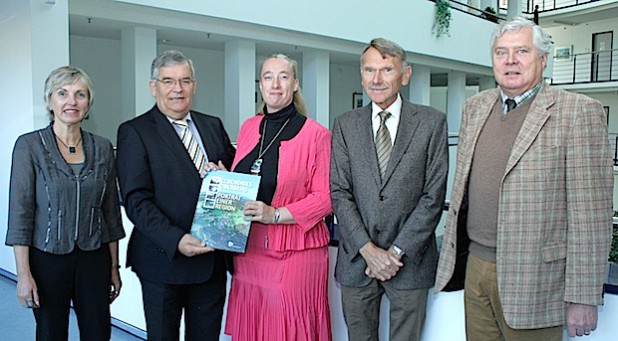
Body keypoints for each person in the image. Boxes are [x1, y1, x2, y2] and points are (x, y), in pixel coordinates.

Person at [435, 17, 613, 340]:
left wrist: (584, 296)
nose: (510, 61)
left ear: (543, 59)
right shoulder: (475, 107)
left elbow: (592, 215)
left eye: (521, 51)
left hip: (537, 281)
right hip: (476, 268)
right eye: (501, 52)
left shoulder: (577, 112)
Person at [331, 38, 449, 341]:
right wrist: (369, 251)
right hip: (358, 260)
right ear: (361, 75)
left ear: (405, 75)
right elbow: (340, 192)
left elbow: (433, 197)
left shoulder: (431, 123)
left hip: (410, 261)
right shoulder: (345, 124)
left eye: (386, 70)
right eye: (370, 70)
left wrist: (394, 252)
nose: (377, 79)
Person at [116, 50, 235, 341]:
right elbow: (136, 200)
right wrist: (176, 239)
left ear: (194, 85)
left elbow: (233, 178)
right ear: (153, 86)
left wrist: (226, 176)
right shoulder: (135, 132)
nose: (177, 89)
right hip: (163, 261)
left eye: (184, 80)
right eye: (168, 81)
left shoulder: (213, 125)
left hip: (211, 261)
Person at [6, 66, 125, 340]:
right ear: (50, 101)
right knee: (51, 333)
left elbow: (109, 214)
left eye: (79, 94)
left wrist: (113, 268)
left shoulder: (103, 147)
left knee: (98, 333)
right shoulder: (29, 146)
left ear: (88, 103)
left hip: (94, 259)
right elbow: (21, 215)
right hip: (47, 259)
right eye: (63, 93)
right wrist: (23, 275)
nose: (71, 101)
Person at [224, 54, 333, 340]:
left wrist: (274, 214)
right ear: (260, 85)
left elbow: (325, 198)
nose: (275, 84)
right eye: (268, 77)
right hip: (249, 251)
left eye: (283, 76)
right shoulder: (249, 127)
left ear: (295, 84)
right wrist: (222, 178)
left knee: (286, 328)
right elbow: (246, 178)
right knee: (254, 328)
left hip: (296, 251)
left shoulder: (317, 135)